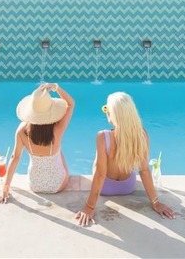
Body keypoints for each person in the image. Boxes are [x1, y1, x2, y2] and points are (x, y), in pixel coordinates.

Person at [75, 91, 175, 226]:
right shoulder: (142, 135)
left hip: (105, 188)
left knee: (98, 163)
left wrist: (89, 207)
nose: (106, 112)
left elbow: (100, 174)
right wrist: (155, 202)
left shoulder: (103, 137)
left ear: (112, 114)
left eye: (106, 109)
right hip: (128, 186)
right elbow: (144, 170)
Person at [0, 82, 74, 201]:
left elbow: (15, 158)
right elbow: (71, 104)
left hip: (35, 185)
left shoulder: (22, 131)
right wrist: (56, 87)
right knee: (59, 152)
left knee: (56, 152)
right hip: (58, 185)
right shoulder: (57, 129)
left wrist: (5, 188)